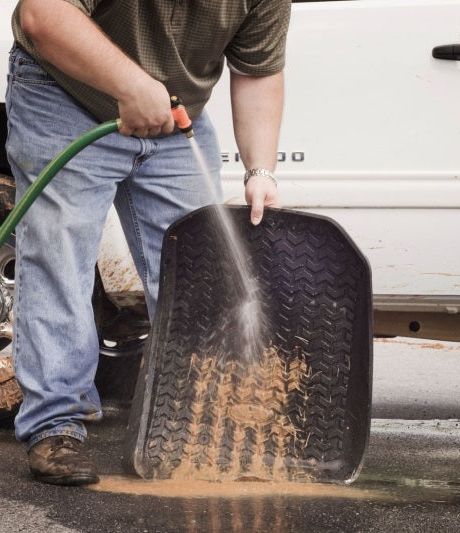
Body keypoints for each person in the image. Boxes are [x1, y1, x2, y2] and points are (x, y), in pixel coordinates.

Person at [6, 0, 291, 486]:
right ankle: (55, 426)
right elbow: (42, 13)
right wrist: (131, 84)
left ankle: (197, 420)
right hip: (65, 94)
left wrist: (260, 170)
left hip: (176, 116)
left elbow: (258, 70)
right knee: (59, 253)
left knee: (200, 268)